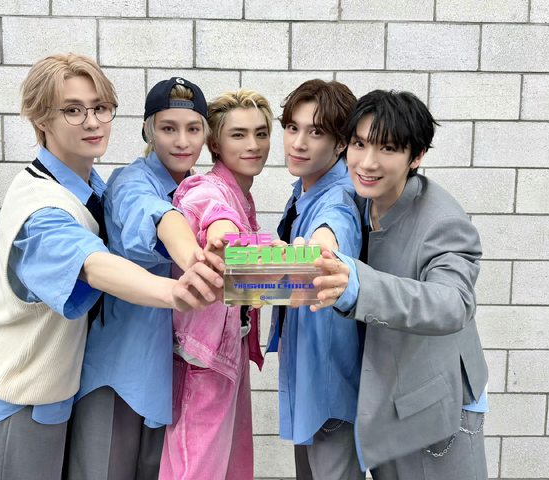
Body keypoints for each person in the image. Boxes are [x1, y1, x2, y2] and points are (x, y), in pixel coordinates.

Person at [0, 55, 222, 480]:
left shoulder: (89, 186)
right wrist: (173, 292)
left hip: (59, 388)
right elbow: (92, 264)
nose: (92, 122)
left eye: (100, 108)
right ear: (41, 119)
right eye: (73, 110)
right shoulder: (40, 207)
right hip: (20, 392)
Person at [312, 89, 488, 479]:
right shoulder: (357, 199)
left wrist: (359, 285)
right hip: (382, 401)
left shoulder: (443, 220)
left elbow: (453, 302)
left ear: (417, 156)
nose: (367, 162)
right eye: (359, 144)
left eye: (388, 148)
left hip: (436, 410)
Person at [67, 77, 222, 480]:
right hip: (121, 372)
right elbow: (154, 216)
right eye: (168, 128)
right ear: (148, 131)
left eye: (193, 129)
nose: (182, 141)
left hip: (171, 378)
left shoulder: (201, 189)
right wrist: (194, 259)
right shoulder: (131, 182)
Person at [158, 89, 273, 480]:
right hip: (202, 361)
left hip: (228, 348)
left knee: (232, 470)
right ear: (215, 144)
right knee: (196, 472)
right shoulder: (208, 189)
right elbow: (215, 217)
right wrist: (225, 236)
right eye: (239, 134)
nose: (253, 144)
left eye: (261, 133)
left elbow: (248, 282)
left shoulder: (243, 196)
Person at [266, 79, 364, 480]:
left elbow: (325, 246)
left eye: (316, 132)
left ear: (340, 143)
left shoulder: (337, 198)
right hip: (310, 377)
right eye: (293, 128)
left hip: (330, 389)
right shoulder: (305, 189)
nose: (298, 143)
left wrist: (234, 272)